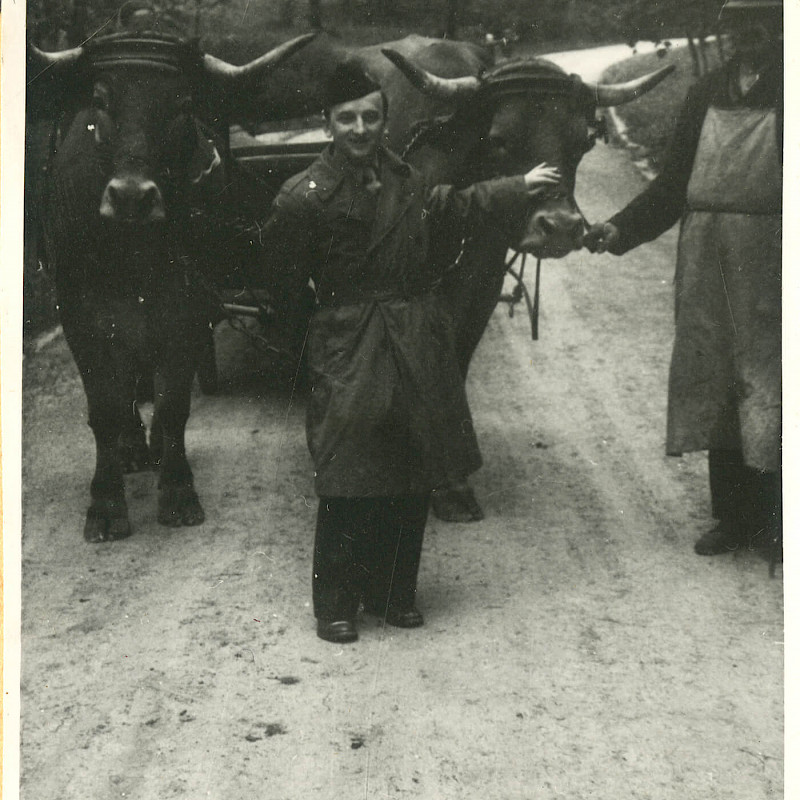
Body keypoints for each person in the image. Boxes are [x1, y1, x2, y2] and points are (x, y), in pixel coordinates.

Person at [259, 60, 561, 643]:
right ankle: (336, 605)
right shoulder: (304, 197)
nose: (359, 128)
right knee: (346, 470)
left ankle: (396, 594)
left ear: (384, 120)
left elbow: (457, 205)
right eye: (346, 118)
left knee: (410, 463)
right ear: (328, 125)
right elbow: (280, 281)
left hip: (410, 333)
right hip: (346, 338)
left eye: (371, 116)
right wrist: (316, 341)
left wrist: (520, 186)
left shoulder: (406, 179)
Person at [584, 0, 782, 561]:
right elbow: (673, 186)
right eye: (738, 23)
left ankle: (776, 520)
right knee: (714, 376)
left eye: (762, 21)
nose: (749, 33)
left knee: (771, 380)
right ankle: (733, 517)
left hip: (773, 256)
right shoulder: (706, 90)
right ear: (723, 31)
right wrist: (617, 229)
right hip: (706, 257)